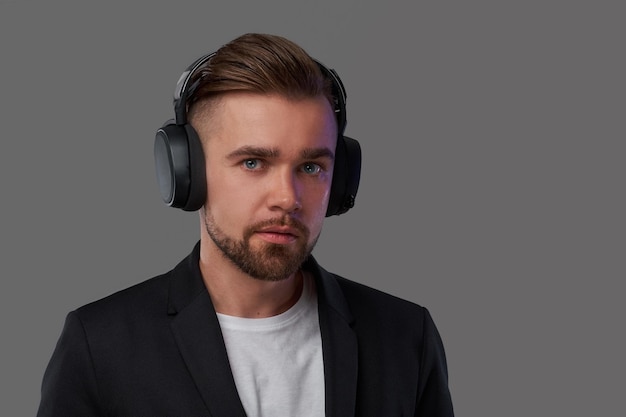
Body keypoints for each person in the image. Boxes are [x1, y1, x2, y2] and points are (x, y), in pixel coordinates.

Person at [37, 33, 454, 417]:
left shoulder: (405, 337)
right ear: (188, 174)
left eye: (311, 167)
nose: (288, 198)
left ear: (341, 178)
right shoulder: (99, 346)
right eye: (253, 162)